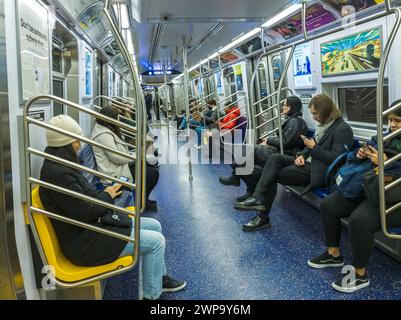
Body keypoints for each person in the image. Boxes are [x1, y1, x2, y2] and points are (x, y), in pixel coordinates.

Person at [39, 114, 186, 300]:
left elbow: (84, 201)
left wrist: (105, 194)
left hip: (91, 230)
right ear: (66, 142)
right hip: (85, 244)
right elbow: (86, 211)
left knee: (154, 226)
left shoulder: (61, 166)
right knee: (156, 242)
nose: (79, 144)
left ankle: (160, 279)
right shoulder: (60, 174)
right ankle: (152, 295)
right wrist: (107, 196)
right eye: (76, 140)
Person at [307, 100, 401, 293]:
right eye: (390, 120)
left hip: (393, 196)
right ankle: (334, 254)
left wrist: (386, 162)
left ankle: (359, 274)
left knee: (359, 220)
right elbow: (351, 158)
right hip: (370, 187)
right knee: (329, 205)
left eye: (397, 121)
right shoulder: (384, 137)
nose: (392, 125)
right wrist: (359, 155)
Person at [236, 94, 354, 231]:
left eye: (315, 114)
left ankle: (262, 217)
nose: (314, 117)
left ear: (325, 111)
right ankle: (257, 197)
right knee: (274, 159)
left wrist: (313, 148)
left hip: (319, 171)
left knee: (272, 174)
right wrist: (301, 155)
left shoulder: (342, 129)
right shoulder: (324, 125)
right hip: (307, 163)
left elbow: (336, 159)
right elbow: (310, 147)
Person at [219, 96, 308, 202]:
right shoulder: (292, 120)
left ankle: (236, 177)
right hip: (278, 151)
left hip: (283, 155)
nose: (282, 107)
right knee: (245, 165)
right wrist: (268, 141)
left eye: (284, 105)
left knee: (243, 150)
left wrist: (269, 140)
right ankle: (249, 190)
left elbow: (285, 142)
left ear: (289, 107)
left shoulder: (297, 122)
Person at [91, 106, 159, 211]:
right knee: (152, 172)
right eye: (117, 117)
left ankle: (143, 199)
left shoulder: (106, 129)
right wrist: (136, 155)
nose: (118, 120)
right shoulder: (103, 135)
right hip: (114, 172)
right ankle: (142, 200)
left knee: (149, 165)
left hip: (120, 166)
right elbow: (116, 158)